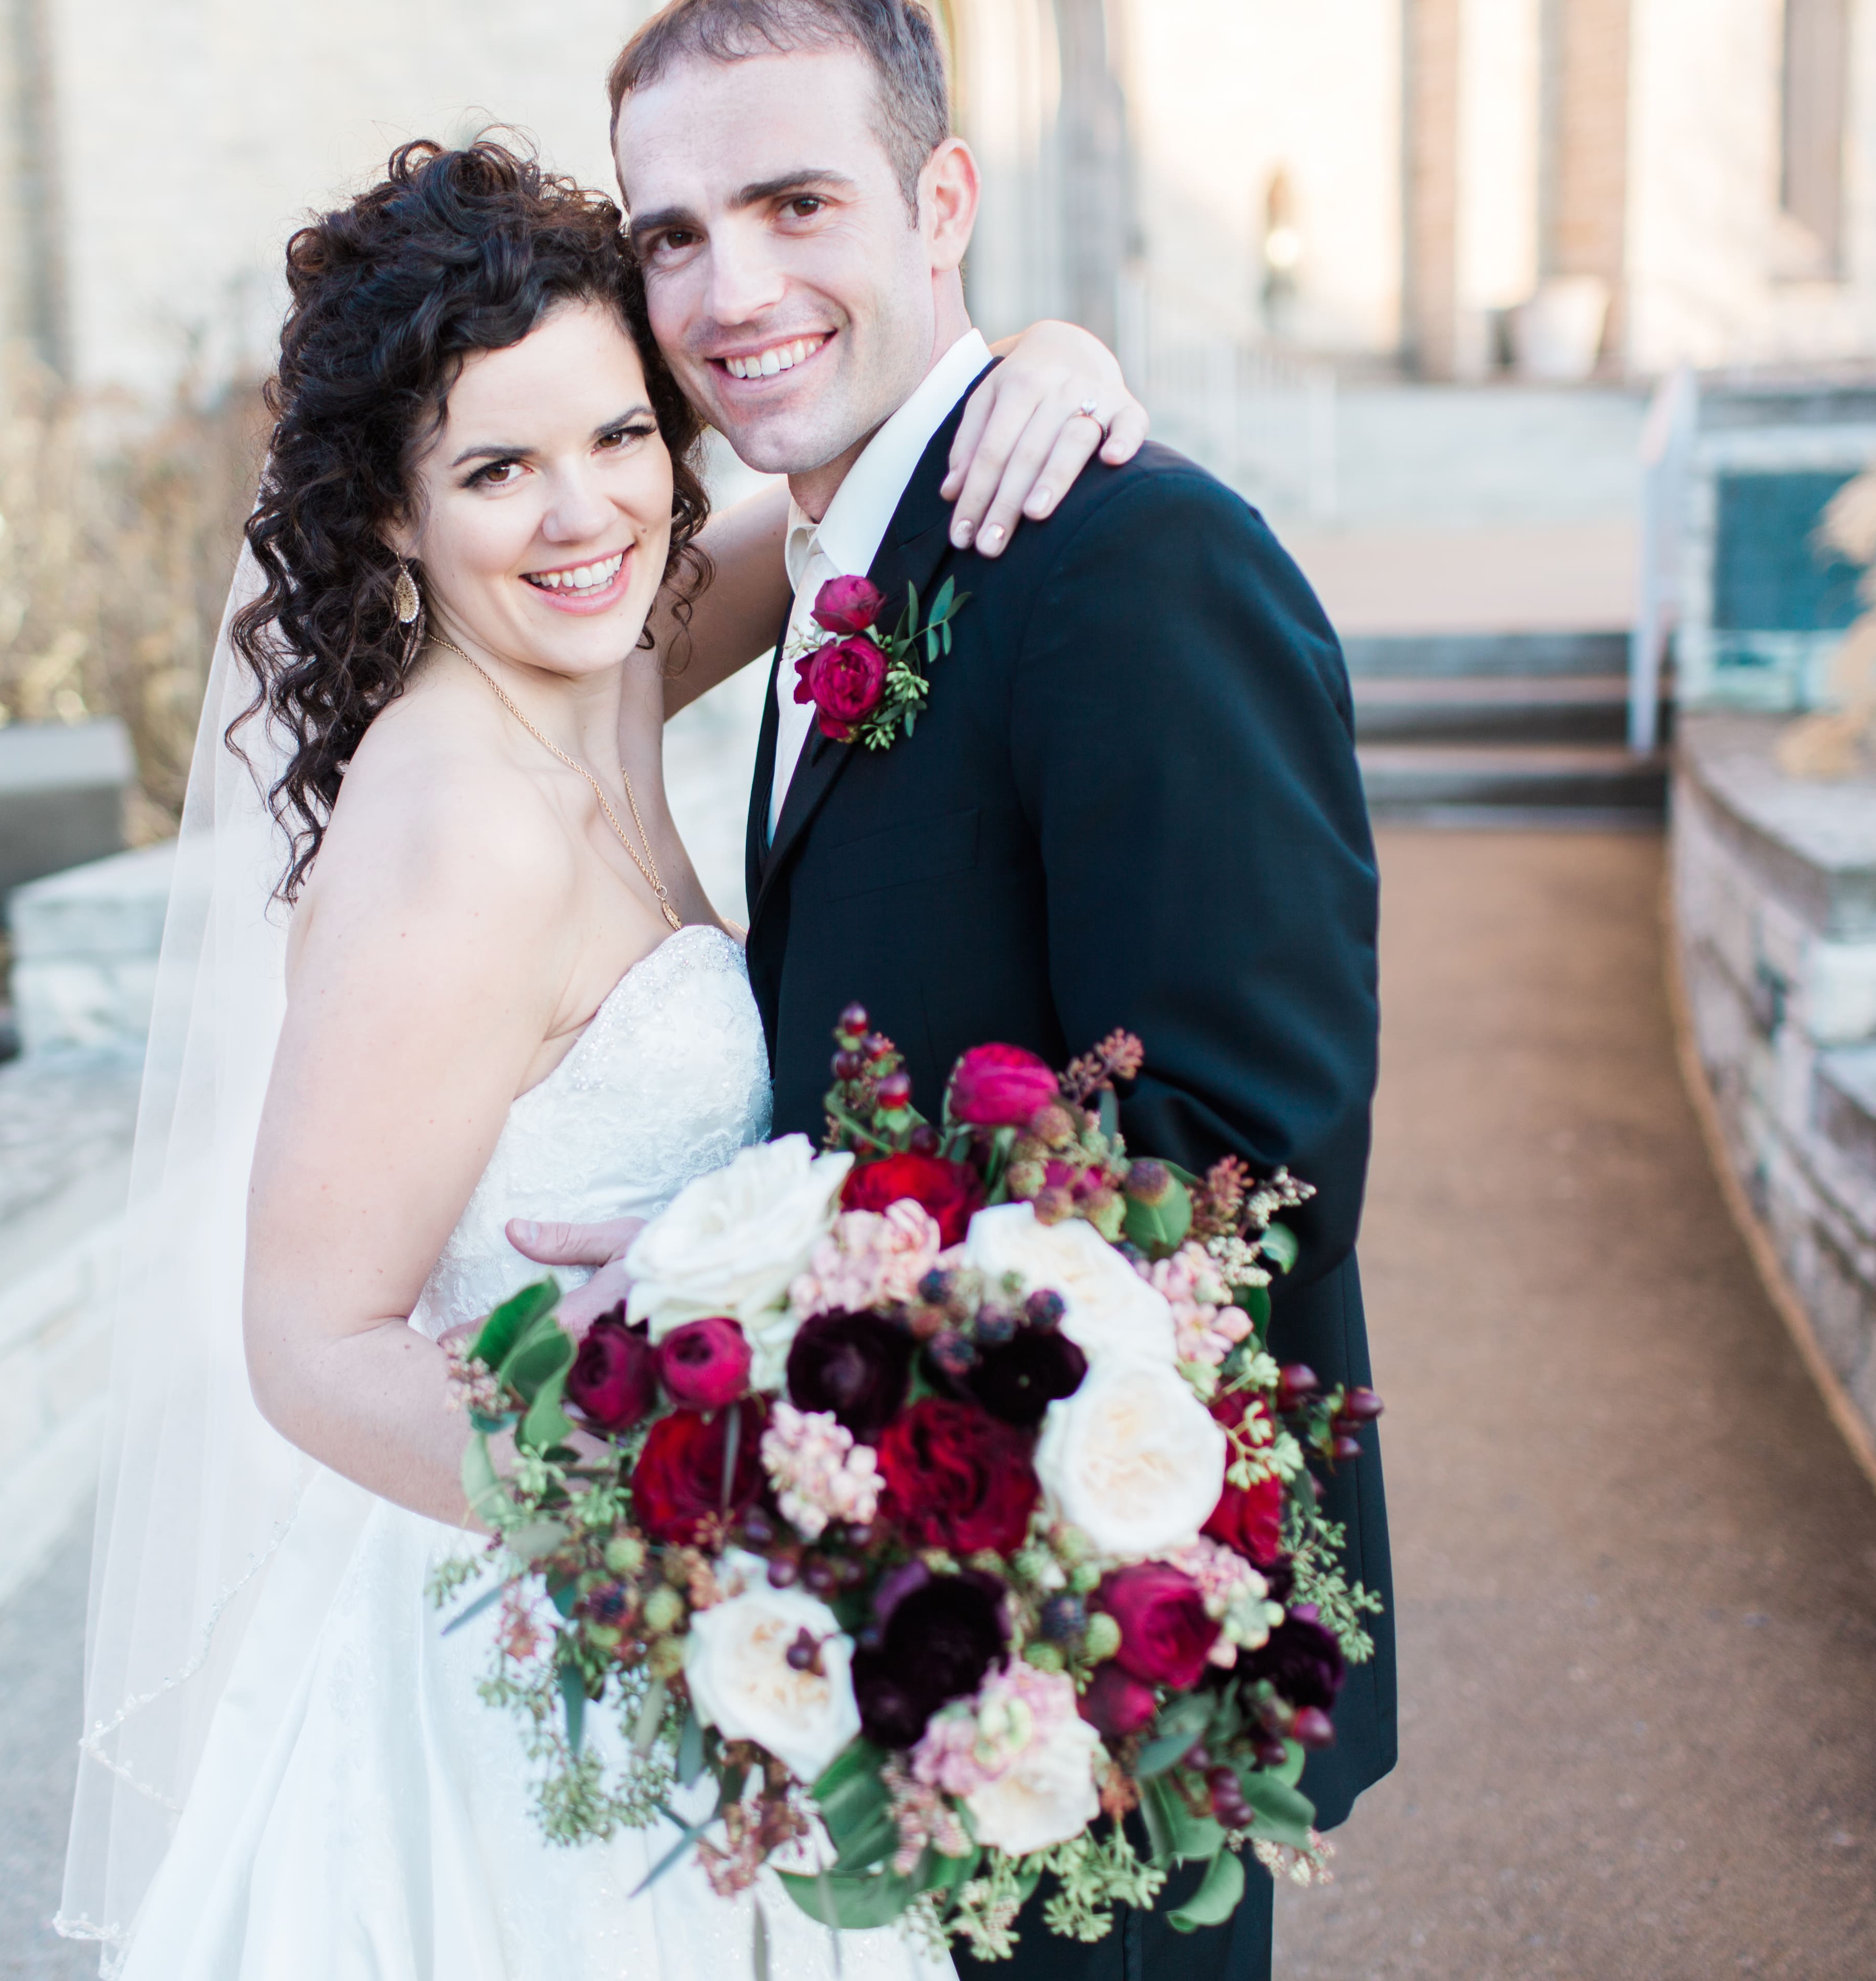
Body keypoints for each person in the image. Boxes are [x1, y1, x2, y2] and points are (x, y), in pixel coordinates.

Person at [55, 138, 1144, 1978]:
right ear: (391, 515)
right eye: (497, 470)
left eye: (621, 435)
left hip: (695, 1617)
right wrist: (690, 1519)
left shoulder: (609, 648)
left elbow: (879, 498)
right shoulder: (462, 837)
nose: (584, 514)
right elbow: (308, 1345)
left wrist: (1053, 364)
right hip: (545, 1656)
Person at [513, 4, 1398, 1976]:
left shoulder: (1138, 565)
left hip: (1093, 1643)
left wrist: (738, 1290)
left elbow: (1252, 1154)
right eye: (673, 236)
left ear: (941, 203)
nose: (731, 291)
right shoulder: (843, 547)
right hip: (878, 1631)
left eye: (796, 204)